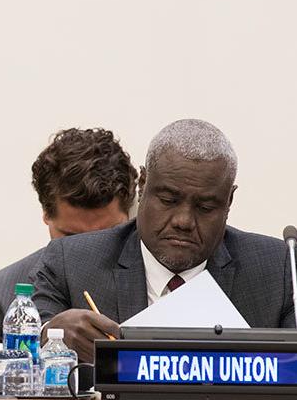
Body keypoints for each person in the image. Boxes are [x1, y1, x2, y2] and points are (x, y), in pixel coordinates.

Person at [33, 118, 295, 362]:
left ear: (229, 201)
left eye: (205, 207)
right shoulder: (72, 262)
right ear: (142, 185)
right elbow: (24, 346)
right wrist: (49, 334)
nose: (184, 221)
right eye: (169, 200)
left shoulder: (278, 269)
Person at [0, 128, 137, 342]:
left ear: (131, 214)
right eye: (71, 237)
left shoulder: (159, 285)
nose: (89, 248)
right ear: (46, 214)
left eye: (107, 234)